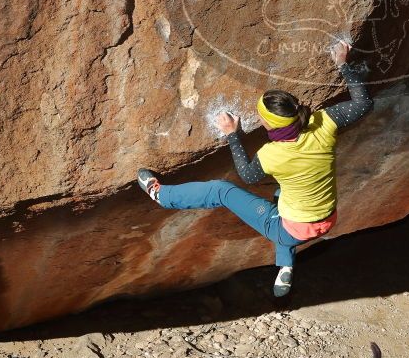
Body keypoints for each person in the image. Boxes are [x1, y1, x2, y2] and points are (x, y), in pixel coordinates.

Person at [137, 41, 373, 297]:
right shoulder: (323, 123)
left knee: (222, 190)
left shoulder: (272, 155)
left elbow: (247, 175)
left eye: (261, 118)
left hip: (291, 228)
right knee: (284, 191)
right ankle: (285, 266)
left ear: (270, 125)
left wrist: (233, 135)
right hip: (326, 219)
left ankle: (161, 195)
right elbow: (363, 104)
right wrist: (342, 63)